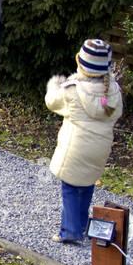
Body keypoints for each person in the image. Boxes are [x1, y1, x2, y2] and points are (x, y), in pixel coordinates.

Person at [45, 38, 123, 244]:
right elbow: (116, 113)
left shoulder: (72, 90)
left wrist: (54, 85)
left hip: (75, 149)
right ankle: (81, 226)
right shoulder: (113, 90)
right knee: (87, 185)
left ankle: (70, 232)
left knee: (70, 189)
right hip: (99, 149)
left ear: (79, 63)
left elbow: (51, 102)